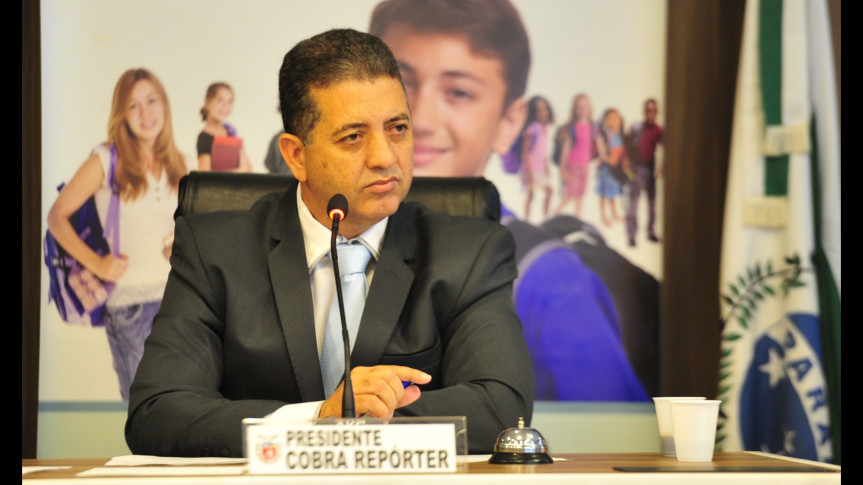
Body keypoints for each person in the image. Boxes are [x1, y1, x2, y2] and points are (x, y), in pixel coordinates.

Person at [126, 28, 534, 457]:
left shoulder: (469, 253)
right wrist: (317, 418)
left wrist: (356, 424)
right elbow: (158, 413)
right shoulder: (213, 252)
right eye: (353, 136)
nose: (385, 157)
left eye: (398, 128)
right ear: (296, 156)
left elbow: (499, 407)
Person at [369, 0, 650, 401]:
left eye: (459, 92)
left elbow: (607, 432)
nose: (421, 119)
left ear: (509, 122)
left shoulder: (551, 283)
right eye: (401, 82)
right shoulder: (326, 246)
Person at [47, 68, 189, 401]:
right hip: (129, 307)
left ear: (164, 104)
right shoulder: (106, 159)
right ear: (122, 114)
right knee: (143, 407)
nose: (145, 112)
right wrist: (97, 263)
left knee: (178, 404)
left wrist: (176, 245)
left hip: (177, 303)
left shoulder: (178, 162)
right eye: (133, 105)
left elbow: (182, 225)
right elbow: (56, 217)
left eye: (151, 101)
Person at [625, 98, 663, 247]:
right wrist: (627, 162)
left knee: (652, 204)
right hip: (637, 168)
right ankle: (631, 235)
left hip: (650, 169)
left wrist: (662, 167)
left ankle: (651, 232)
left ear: (657, 112)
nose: (650, 114)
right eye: (648, 111)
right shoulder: (637, 127)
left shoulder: (659, 130)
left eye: (653, 111)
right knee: (633, 203)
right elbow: (627, 144)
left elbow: (667, 147)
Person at [554, 93, 597, 217]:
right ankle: (555, 213)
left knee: (580, 195)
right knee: (570, 195)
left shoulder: (592, 127)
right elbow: (566, 149)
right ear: (574, 110)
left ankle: (578, 218)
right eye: (579, 107)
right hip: (573, 165)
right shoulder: (571, 128)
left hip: (585, 166)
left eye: (585, 107)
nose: (583, 110)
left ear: (589, 108)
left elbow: (595, 145)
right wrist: (563, 167)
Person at [196, 82, 252, 172]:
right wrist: (239, 171)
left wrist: (243, 169)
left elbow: (248, 167)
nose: (225, 106)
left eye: (230, 102)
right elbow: (204, 174)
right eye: (220, 100)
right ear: (207, 103)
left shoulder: (231, 131)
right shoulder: (204, 138)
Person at [519, 95, 554, 221]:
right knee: (531, 195)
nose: (542, 113)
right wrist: (528, 171)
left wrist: (546, 166)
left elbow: (542, 151)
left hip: (540, 169)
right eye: (538, 110)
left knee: (549, 191)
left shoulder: (544, 128)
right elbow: (525, 152)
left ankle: (545, 217)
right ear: (533, 113)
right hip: (530, 168)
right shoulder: (531, 129)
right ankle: (526, 220)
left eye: (544, 109)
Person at [595, 107, 628, 227]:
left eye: (616, 119)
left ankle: (614, 214)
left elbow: (617, 157)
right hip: (606, 170)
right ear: (605, 121)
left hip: (614, 170)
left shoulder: (619, 137)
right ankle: (604, 216)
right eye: (610, 119)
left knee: (612, 194)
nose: (614, 121)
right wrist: (605, 158)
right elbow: (604, 154)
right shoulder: (605, 136)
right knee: (603, 194)